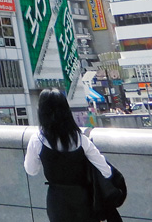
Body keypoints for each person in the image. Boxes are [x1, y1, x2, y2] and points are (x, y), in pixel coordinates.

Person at [24, 89, 112, 222]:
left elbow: (31, 171)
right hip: (83, 199)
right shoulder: (80, 138)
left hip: (57, 201)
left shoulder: (37, 140)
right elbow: (106, 170)